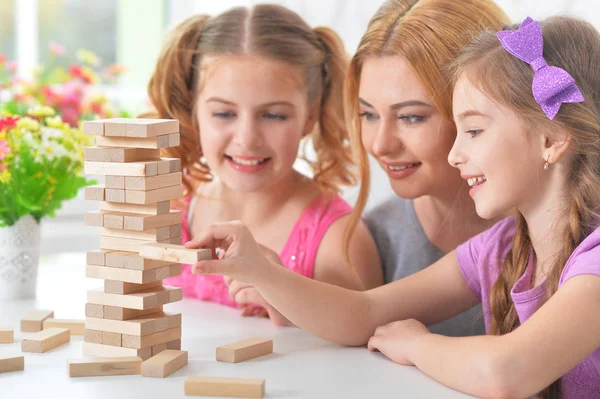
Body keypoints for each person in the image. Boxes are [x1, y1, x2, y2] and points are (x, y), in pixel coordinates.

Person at [187, 15, 600, 398]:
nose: (455, 154)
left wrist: (419, 344)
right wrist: (261, 270)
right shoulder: (501, 246)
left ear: (551, 139)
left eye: (473, 130)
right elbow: (363, 311)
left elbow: (507, 371)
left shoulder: (594, 260)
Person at [144, 4, 383, 326]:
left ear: (309, 115)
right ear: (193, 109)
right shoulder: (168, 212)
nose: (247, 139)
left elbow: (368, 348)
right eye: (224, 113)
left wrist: (293, 298)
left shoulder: (339, 242)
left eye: (274, 115)